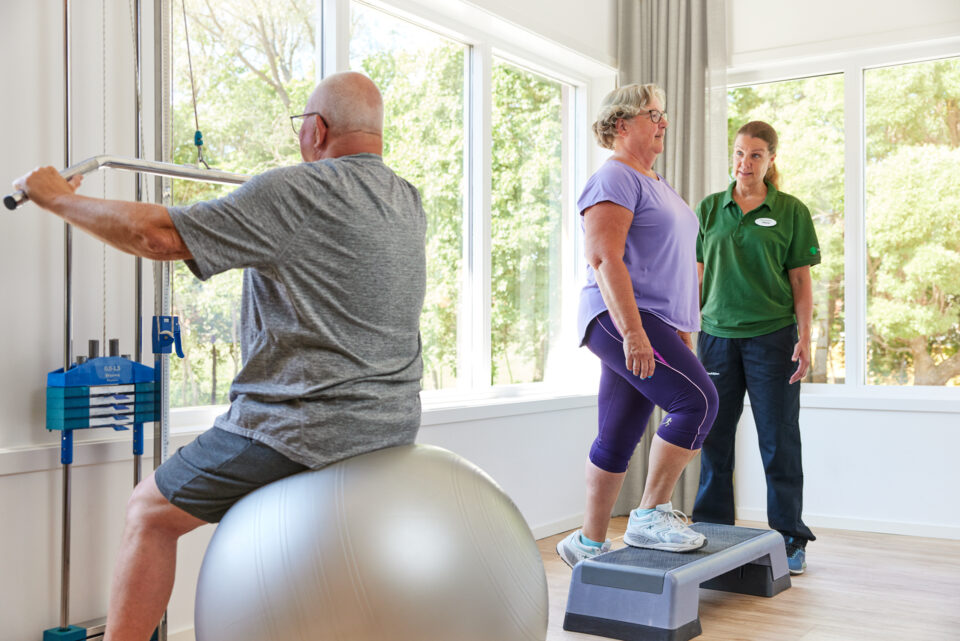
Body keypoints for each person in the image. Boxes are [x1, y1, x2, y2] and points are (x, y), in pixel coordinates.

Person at [15, 71, 426, 640]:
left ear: (316, 129)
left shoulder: (296, 191)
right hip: (388, 427)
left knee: (148, 512)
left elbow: (157, 238)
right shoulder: (407, 199)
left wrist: (58, 197)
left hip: (300, 428)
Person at [556, 83, 719, 568]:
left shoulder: (655, 182)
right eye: (653, 113)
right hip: (620, 316)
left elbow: (671, 258)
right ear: (622, 124)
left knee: (619, 431)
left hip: (655, 318)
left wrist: (680, 324)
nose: (663, 121)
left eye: (664, 113)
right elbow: (605, 257)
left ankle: (586, 542)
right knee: (697, 401)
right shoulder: (615, 179)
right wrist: (634, 333)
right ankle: (649, 516)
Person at [692, 120, 819, 575]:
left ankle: (790, 538)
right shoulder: (710, 209)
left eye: (756, 155)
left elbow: (801, 280)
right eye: (740, 153)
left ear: (771, 160)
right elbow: (698, 277)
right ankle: (710, 532)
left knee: (779, 439)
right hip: (716, 340)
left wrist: (806, 337)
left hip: (773, 340)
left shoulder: (791, 210)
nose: (745, 163)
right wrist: (687, 331)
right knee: (713, 440)